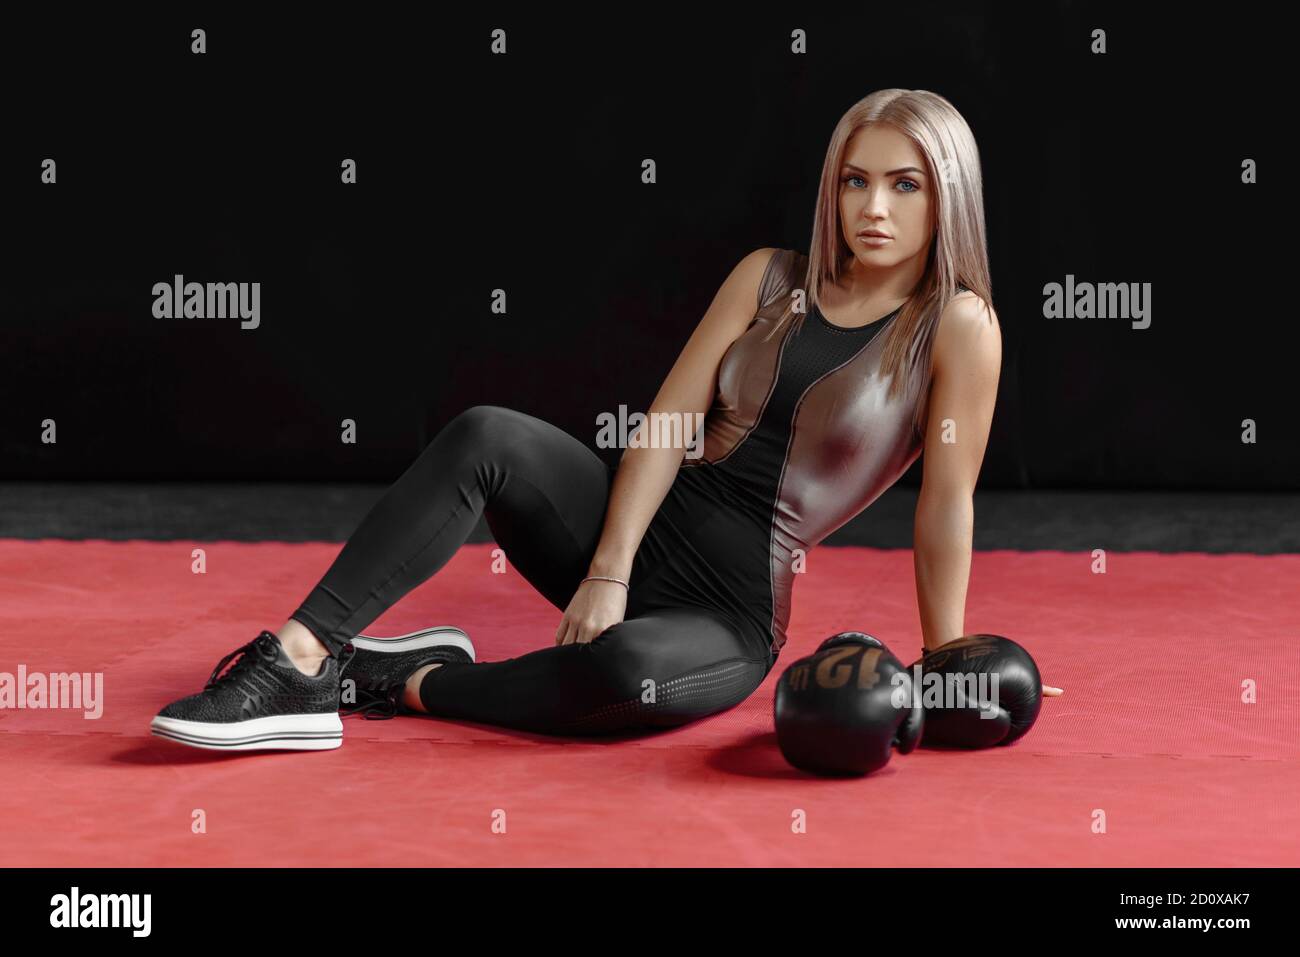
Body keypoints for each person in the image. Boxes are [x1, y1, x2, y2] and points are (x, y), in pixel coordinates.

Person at [152, 88, 1030, 752]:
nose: (874, 209)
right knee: (488, 432)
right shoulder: (768, 275)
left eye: (905, 185)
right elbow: (662, 424)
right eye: (856, 182)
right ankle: (299, 658)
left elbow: (945, 503)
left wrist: (946, 661)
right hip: (631, 530)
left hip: (727, 612)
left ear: (946, 193)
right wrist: (608, 570)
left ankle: (402, 680)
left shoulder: (956, 325)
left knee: (625, 678)